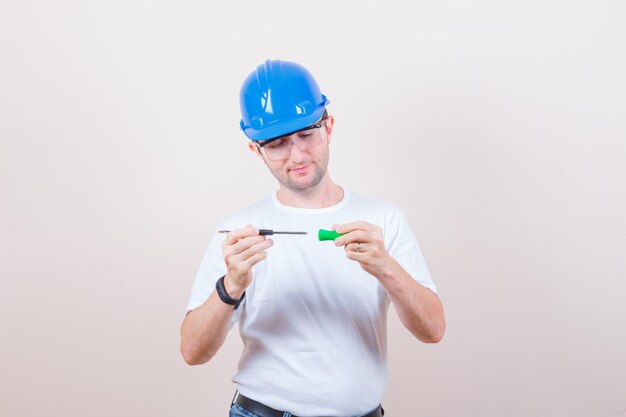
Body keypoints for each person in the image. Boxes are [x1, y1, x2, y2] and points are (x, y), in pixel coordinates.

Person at [180, 59, 446, 417]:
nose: (297, 155)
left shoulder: (384, 220)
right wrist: (231, 286)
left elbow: (433, 330)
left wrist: (386, 268)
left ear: (329, 127)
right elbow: (192, 352)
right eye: (276, 144)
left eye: (307, 134)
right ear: (255, 150)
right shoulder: (238, 232)